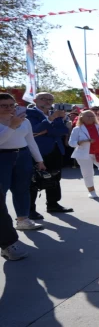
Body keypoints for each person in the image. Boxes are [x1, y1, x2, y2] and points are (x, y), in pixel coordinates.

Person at [0, 92, 45, 231]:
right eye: (3, 105)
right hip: (2, 157)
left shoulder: (24, 120)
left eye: (11, 105)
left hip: (23, 155)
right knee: (1, 191)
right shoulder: (16, 122)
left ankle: (23, 219)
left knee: (22, 189)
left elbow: (30, 141)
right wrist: (12, 126)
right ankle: (4, 225)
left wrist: (39, 160)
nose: (8, 108)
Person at [26, 92, 72, 219]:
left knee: (55, 177)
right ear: (35, 100)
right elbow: (35, 130)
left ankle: (53, 203)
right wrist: (50, 121)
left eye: (50, 99)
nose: (47, 101)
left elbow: (62, 131)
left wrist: (47, 129)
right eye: (43, 99)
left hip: (56, 150)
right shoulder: (29, 113)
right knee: (34, 180)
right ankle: (30, 209)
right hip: (38, 151)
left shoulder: (55, 113)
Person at [69, 110, 99, 198]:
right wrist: (81, 142)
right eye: (87, 116)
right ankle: (91, 191)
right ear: (82, 118)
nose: (90, 118)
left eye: (92, 116)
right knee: (88, 173)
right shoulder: (77, 129)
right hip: (84, 154)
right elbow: (71, 142)